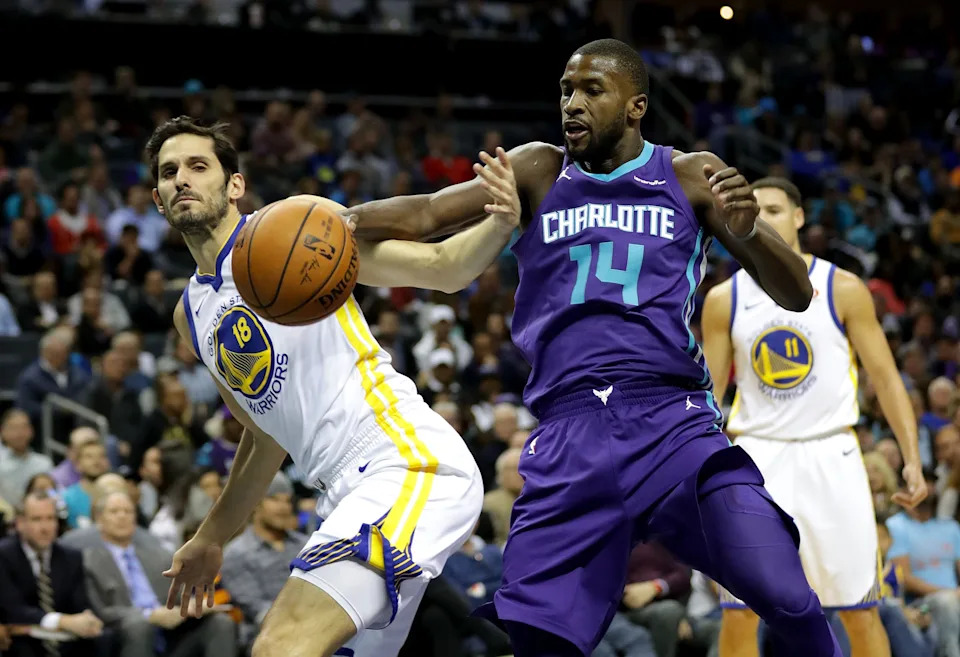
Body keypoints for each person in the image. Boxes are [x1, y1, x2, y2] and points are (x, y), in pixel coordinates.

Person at [346, 38, 879, 657]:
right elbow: (425, 215)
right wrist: (331, 218)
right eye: (567, 90)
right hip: (568, 433)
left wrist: (750, 229)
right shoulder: (538, 169)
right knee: (539, 643)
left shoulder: (689, 174)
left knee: (787, 596)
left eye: (592, 90)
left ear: (636, 106)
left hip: (673, 425)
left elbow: (796, 295)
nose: (572, 103)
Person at [143, 115, 524, 657]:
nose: (181, 178)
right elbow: (264, 435)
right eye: (168, 172)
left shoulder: (290, 231)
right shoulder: (191, 314)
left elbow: (443, 267)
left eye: (198, 166)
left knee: (280, 648)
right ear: (158, 199)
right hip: (339, 494)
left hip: (404, 460)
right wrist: (210, 537)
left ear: (234, 185)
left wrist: (501, 220)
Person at [699, 176, 926, 657]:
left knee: (860, 610)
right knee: (739, 613)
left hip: (833, 454)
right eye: (752, 210)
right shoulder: (724, 299)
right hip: (755, 459)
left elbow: (886, 378)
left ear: (800, 217)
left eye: (775, 209)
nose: (763, 218)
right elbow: (704, 398)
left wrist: (911, 458)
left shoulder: (842, 288)